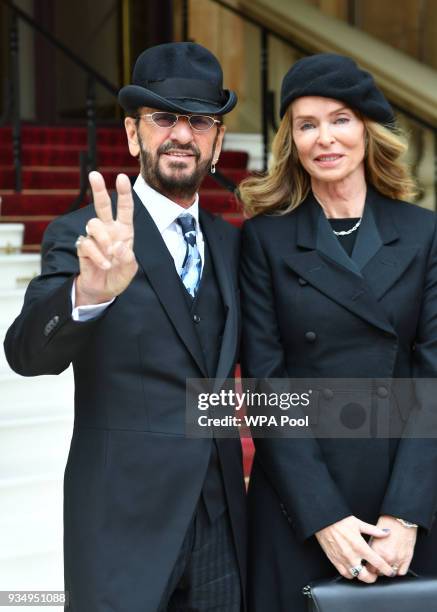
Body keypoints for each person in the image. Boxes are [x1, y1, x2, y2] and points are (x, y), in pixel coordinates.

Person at [4, 42, 246, 612]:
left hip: (221, 529)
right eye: (164, 118)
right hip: (121, 526)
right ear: (134, 135)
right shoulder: (82, 234)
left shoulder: (235, 245)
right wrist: (88, 294)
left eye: (200, 122)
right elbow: (26, 353)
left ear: (218, 140)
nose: (182, 136)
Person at [238, 53, 437, 611]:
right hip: (300, 507)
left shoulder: (424, 234)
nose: (324, 138)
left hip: (406, 507)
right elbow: (266, 388)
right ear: (292, 140)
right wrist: (323, 516)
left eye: (341, 118)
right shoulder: (265, 241)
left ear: (368, 129)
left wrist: (405, 513)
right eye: (307, 124)